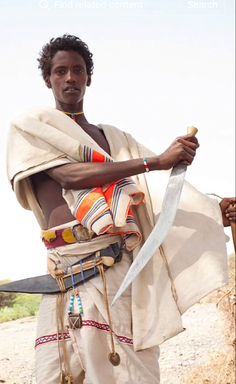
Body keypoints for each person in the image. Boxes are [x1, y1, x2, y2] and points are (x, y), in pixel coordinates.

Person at [6, 34, 236, 384]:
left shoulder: (113, 139)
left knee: (128, 373)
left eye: (78, 70)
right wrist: (156, 160)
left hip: (116, 271)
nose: (70, 78)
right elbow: (69, 176)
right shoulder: (33, 129)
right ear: (48, 78)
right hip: (64, 275)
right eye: (61, 71)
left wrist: (211, 211)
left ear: (88, 78)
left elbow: (150, 198)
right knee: (55, 375)